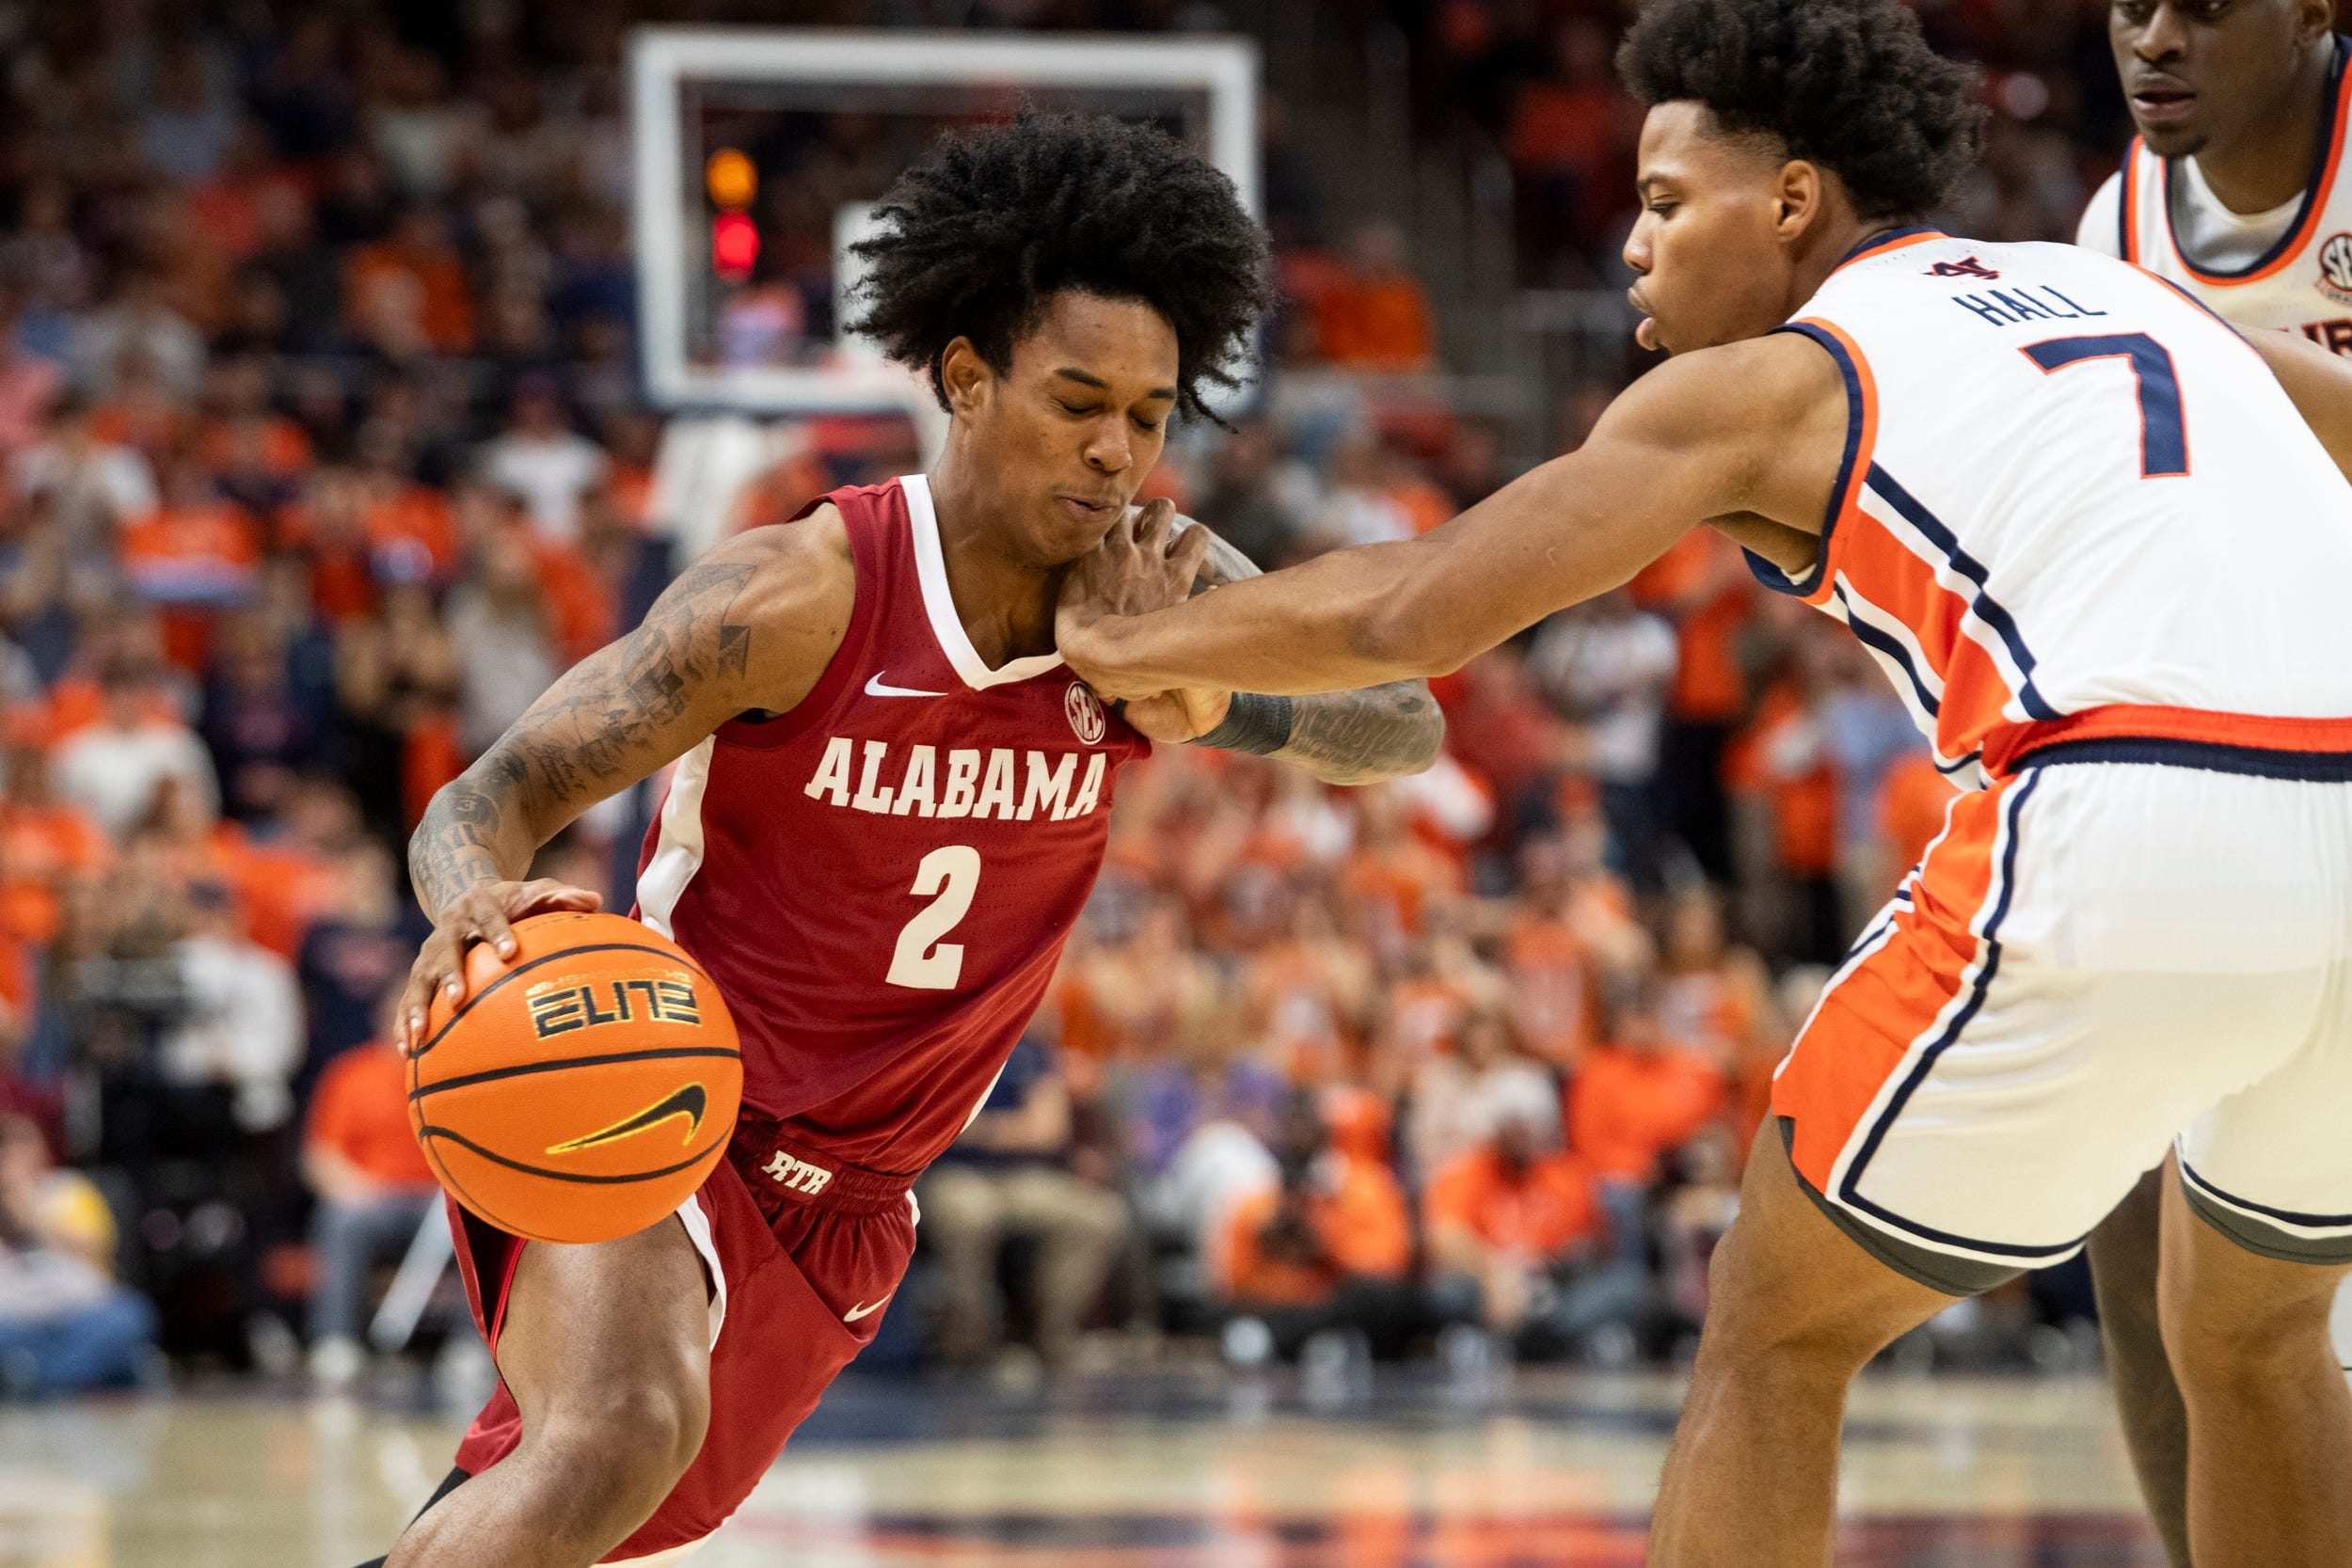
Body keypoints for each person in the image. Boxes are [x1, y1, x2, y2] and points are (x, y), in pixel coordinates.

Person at [1057, 2, 2352, 1560]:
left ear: (1793, 203)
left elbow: (1423, 607)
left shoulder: (1777, 382)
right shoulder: (2120, 289)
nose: (1632, 249)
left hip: (2126, 801)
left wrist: (1144, 641)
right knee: (2256, 1335)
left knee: (1775, 1325)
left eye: (1668, 205)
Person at [368, 112, 1444, 1568]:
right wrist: (469, 902)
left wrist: (1213, 695)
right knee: (613, 1432)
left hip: (861, 1199)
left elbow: (1404, 723)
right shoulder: (797, 593)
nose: (1119, 450)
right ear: (965, 377)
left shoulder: (1158, 587)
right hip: (663, 1094)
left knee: (566, 1505)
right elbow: (482, 796)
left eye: (1150, 411)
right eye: (1079, 401)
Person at [2076, 5, 2347, 1559]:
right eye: (2129, 6)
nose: (2157, 40)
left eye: (2204, 2)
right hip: (2263, 758)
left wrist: (2223, 372)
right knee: (2126, 1181)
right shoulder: (2113, 231)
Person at [915, 1032, 1128, 1369]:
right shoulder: (943, 1034)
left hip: (1023, 1177)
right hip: (952, 1172)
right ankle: (971, 1342)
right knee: (971, 1215)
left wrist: (980, 1129)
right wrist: (1013, 1129)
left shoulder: (1029, 1046)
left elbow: (1046, 1130)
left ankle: (1049, 1333)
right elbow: (928, 1122)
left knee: (1098, 1216)